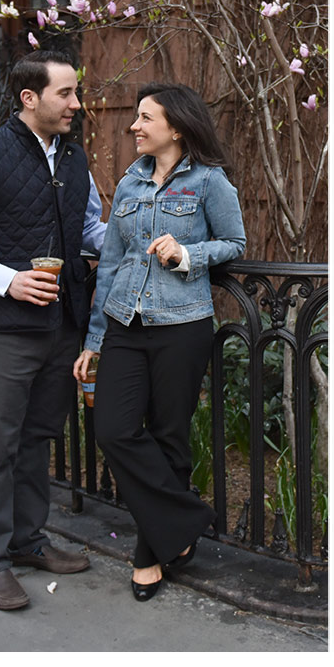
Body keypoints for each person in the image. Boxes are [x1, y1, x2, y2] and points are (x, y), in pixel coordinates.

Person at [0, 49, 107, 611]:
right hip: (6, 327)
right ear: (30, 98)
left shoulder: (76, 158)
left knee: (38, 440)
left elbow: (89, 228)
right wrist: (8, 281)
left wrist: (145, 242)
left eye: (76, 92)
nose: (76, 104)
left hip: (63, 327)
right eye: (66, 94)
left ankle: (29, 541)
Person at [73, 82, 245, 601]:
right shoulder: (129, 184)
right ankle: (189, 517)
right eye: (136, 117)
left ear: (176, 125)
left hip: (182, 324)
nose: (135, 126)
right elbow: (111, 265)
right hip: (125, 322)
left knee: (169, 434)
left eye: (146, 118)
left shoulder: (209, 182)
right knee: (114, 429)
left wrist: (187, 252)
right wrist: (94, 340)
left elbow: (234, 242)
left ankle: (151, 553)